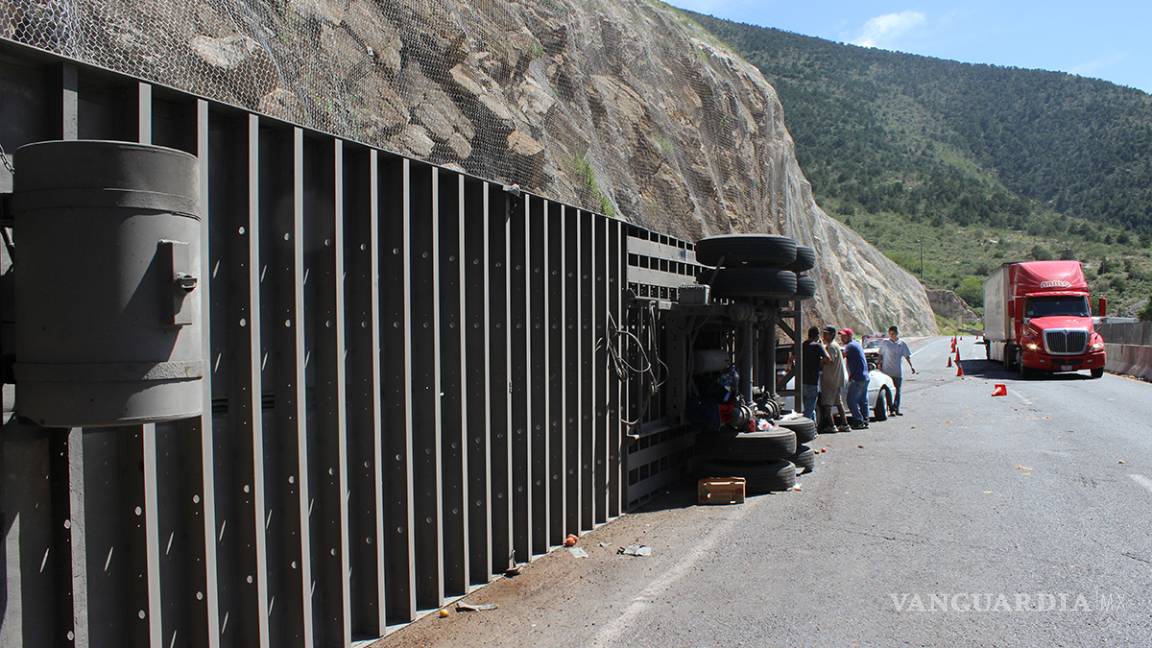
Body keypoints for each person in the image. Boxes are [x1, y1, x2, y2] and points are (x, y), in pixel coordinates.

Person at [878, 325, 916, 415]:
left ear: (897, 333)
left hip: (897, 371)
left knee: (897, 391)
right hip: (886, 372)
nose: (891, 335)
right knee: (888, 391)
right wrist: (879, 365)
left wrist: (912, 366)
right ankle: (891, 409)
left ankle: (896, 408)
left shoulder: (901, 344)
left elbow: (907, 356)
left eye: (893, 334)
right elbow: (880, 354)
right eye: (890, 334)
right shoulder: (885, 343)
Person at [818, 325, 850, 433]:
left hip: (830, 379)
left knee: (827, 404)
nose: (824, 335)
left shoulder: (831, 346)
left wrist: (820, 360)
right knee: (838, 403)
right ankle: (845, 424)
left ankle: (832, 426)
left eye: (826, 333)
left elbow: (829, 360)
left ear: (832, 334)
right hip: (836, 379)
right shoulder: (835, 345)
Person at [841, 328, 869, 429]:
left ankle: (858, 421)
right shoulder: (856, 344)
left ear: (849, 336)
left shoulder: (850, 346)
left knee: (851, 400)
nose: (841, 338)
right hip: (865, 376)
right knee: (863, 400)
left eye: (844, 336)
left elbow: (840, 357)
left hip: (857, 378)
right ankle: (865, 420)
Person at [801, 326, 828, 421]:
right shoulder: (817, 346)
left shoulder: (803, 345)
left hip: (802, 381)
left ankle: (814, 429)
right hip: (813, 381)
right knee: (810, 408)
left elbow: (792, 358)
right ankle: (807, 427)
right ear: (817, 335)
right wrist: (819, 362)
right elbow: (827, 358)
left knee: (809, 407)